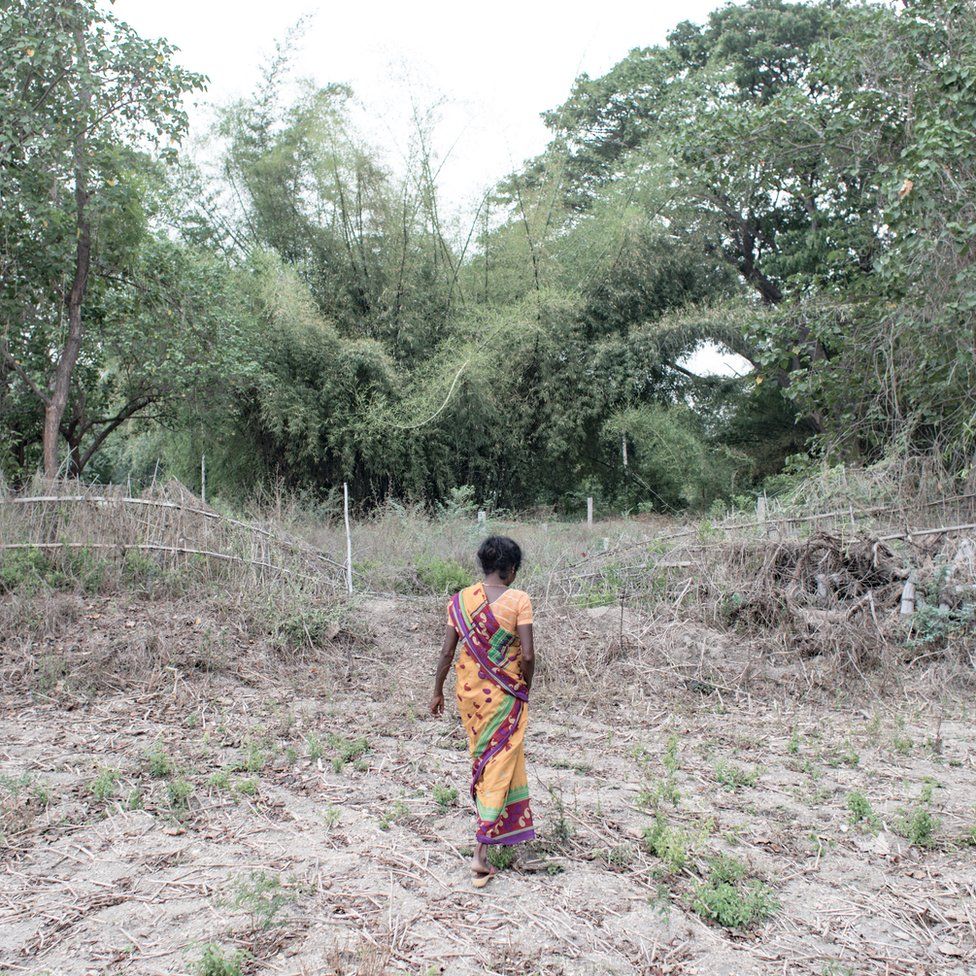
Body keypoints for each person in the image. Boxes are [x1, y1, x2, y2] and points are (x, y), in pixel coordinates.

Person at [429, 535, 536, 888]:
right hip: (505, 694)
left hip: (470, 696)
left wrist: (436, 691)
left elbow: (447, 653)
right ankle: (481, 852)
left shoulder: (460, 601)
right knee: (499, 763)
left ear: (485, 566)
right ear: (512, 569)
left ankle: (519, 843)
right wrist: (524, 686)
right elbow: (529, 655)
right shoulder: (519, 600)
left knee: (493, 759)